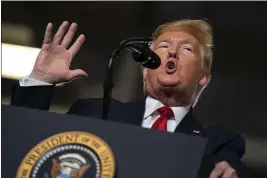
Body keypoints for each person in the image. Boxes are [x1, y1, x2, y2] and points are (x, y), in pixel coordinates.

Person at [11, 20, 250, 178]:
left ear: (203, 78)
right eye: (163, 45)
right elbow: (24, 147)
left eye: (187, 49)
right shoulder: (93, 112)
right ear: (146, 70)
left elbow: (230, 168)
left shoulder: (218, 142)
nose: (173, 52)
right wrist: (40, 80)